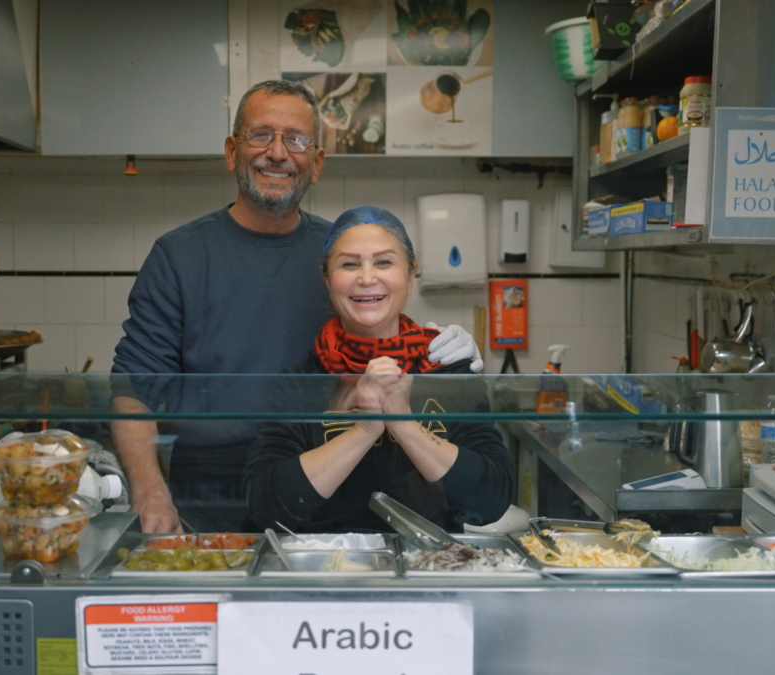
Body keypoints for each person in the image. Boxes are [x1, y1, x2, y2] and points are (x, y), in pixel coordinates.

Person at [110, 81, 483, 533]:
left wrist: (444, 353)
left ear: (317, 163)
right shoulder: (179, 256)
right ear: (232, 151)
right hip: (208, 495)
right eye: (260, 134)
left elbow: (385, 339)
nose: (278, 153)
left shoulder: (341, 254)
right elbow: (134, 391)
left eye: (298, 139)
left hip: (321, 488)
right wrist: (151, 493)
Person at [243, 206, 513, 533]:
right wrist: (364, 430)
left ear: (411, 277)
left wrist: (405, 424)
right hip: (325, 568)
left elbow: (491, 501)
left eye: (384, 262)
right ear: (327, 279)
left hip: (426, 564)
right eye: (349, 264)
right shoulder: (296, 383)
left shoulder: (447, 370)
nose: (367, 278)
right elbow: (266, 508)